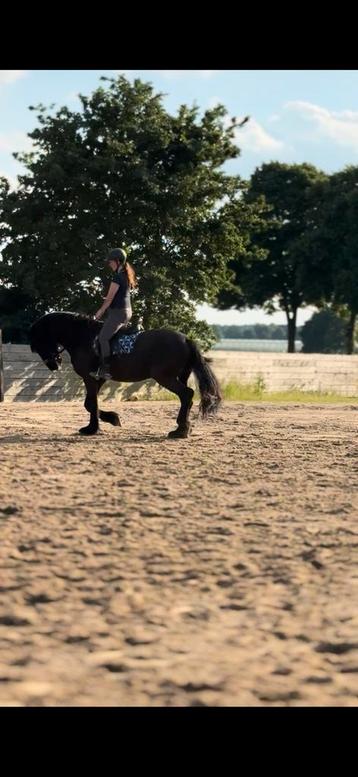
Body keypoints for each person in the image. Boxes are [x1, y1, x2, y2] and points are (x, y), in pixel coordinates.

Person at [90, 247, 137, 380]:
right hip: (126, 312)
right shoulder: (125, 275)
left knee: (103, 338)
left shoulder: (117, 277)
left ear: (117, 261)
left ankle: (105, 370)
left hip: (118, 313)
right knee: (110, 336)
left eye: (110, 262)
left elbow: (109, 299)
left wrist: (100, 311)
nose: (109, 264)